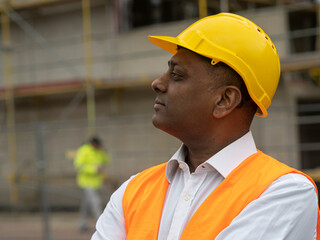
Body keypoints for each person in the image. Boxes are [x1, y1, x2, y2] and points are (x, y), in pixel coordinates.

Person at [91, 13, 320, 239]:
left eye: (177, 75)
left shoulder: (285, 192)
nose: (158, 83)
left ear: (224, 100)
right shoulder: (133, 190)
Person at [74, 136, 110, 232]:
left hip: (96, 182)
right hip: (86, 182)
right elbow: (79, 166)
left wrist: (104, 153)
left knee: (86, 205)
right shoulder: (84, 151)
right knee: (95, 202)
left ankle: (82, 224)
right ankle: (102, 224)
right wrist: (94, 169)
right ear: (93, 144)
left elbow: (105, 161)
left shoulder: (98, 151)